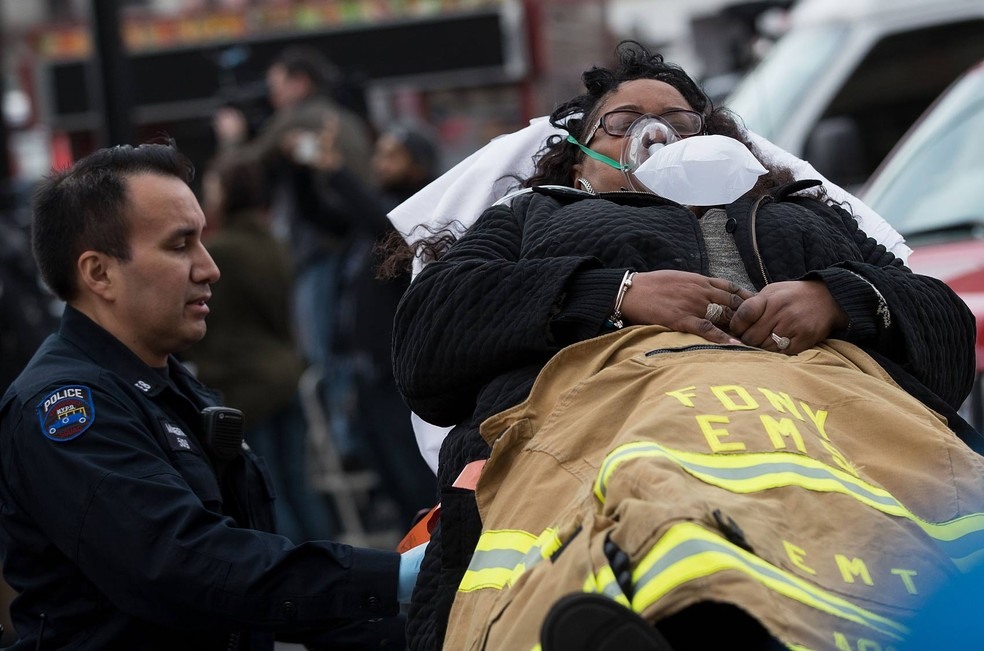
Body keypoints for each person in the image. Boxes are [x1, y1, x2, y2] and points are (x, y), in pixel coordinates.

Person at [388, 42, 979, 650]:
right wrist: (614, 295)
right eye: (621, 124)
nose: (655, 135)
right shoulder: (534, 215)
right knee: (656, 490)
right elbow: (426, 336)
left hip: (830, 408)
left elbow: (949, 336)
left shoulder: (802, 217)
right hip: (623, 404)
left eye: (680, 122)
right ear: (579, 165)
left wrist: (839, 299)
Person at [0, 141, 425, 649]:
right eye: (180, 246)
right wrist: (389, 577)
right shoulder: (67, 408)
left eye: (202, 240)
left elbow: (252, 575)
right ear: (99, 273)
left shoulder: (171, 385)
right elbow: (184, 567)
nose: (208, 268)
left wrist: (420, 630)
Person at [213, 45, 373, 470]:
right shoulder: (345, 119)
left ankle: (343, 445)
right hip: (347, 249)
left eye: (276, 86)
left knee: (320, 358)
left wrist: (231, 136)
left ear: (300, 84)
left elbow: (239, 170)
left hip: (321, 252)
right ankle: (350, 439)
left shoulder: (302, 118)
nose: (272, 97)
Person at [183, 154, 337, 543]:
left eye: (214, 186)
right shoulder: (275, 242)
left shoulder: (222, 251)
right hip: (286, 374)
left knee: (267, 493)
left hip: (247, 384)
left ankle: (295, 579)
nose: (207, 194)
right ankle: (328, 569)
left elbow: (212, 321)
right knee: (298, 487)